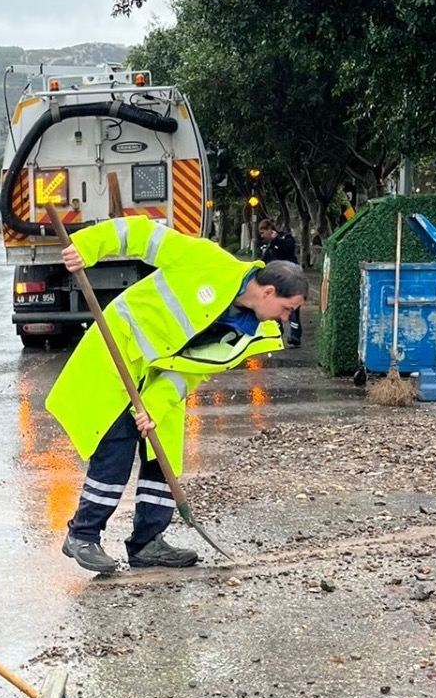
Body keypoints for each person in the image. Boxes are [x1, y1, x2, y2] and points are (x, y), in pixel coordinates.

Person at [48, 216, 307, 573]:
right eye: (286, 309)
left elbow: (193, 372)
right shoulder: (207, 260)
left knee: (162, 456)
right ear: (268, 292)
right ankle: (83, 535)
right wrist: (87, 248)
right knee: (115, 451)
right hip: (119, 354)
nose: (283, 318)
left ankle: (147, 544)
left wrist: (153, 407)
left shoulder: (248, 331)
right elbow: (140, 234)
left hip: (160, 381)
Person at [257, 217, 302, 345]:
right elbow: (265, 261)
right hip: (276, 281)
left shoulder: (284, 239)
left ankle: (295, 336)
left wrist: (276, 240)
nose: (261, 236)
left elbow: (289, 249)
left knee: (293, 307)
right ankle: (277, 332)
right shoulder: (268, 246)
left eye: (262, 233)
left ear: (270, 229)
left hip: (291, 277)